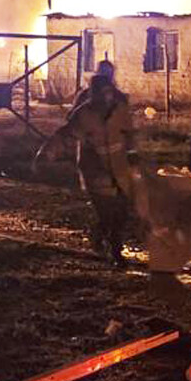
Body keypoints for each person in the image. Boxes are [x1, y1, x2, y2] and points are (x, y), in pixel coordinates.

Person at [35, 74, 137, 266]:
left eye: (108, 93)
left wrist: (133, 157)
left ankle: (101, 237)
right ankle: (115, 251)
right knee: (107, 212)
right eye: (102, 93)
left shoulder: (120, 111)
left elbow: (129, 136)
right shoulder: (84, 115)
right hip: (96, 172)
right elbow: (65, 137)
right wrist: (46, 154)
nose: (106, 97)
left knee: (122, 212)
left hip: (120, 170)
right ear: (94, 94)